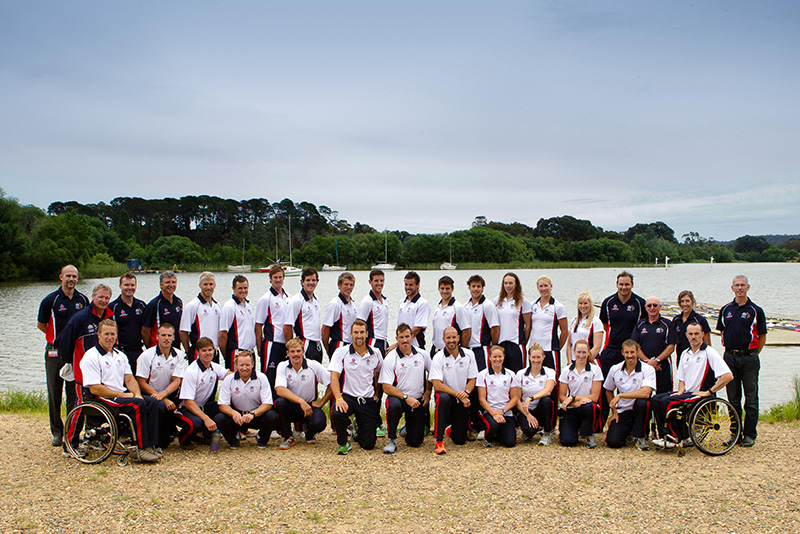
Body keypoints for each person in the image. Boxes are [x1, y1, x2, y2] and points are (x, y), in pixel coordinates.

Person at [79, 320, 161, 463]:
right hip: (101, 398)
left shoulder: (120, 355)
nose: (109, 337)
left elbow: (129, 379)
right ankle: (139, 449)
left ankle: (151, 445)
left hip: (119, 396)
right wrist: (123, 395)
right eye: (106, 334)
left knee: (151, 402)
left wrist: (137, 394)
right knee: (137, 405)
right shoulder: (91, 356)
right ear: (99, 335)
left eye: (112, 334)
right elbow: (95, 388)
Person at [651, 322, 733, 448]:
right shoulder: (685, 353)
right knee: (656, 399)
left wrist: (709, 391)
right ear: (686, 335)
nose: (693, 337)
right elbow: (681, 379)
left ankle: (675, 438)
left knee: (667, 402)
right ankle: (664, 435)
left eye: (696, 334)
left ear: (702, 334)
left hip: (700, 394)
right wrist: (680, 392)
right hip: (686, 393)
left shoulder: (709, 352)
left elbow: (728, 376)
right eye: (690, 334)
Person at [37, 264, 89, 446]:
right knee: (54, 391)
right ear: (61, 277)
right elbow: (41, 324)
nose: (71, 279)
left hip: (75, 352)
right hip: (55, 351)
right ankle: (57, 431)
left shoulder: (83, 300)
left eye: (74, 276)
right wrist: (55, 339)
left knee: (74, 393)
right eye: (68, 276)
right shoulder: (50, 300)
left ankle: (71, 430)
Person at [716, 275, 767, 447]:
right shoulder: (725, 310)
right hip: (729, 357)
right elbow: (721, 332)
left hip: (749, 358)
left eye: (742, 285)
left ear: (748, 287)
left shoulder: (756, 310)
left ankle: (750, 434)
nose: (739, 288)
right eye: (736, 285)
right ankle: (735, 433)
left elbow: (762, 336)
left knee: (751, 399)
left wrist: (752, 353)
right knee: (733, 399)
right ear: (732, 288)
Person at [57, 283, 115, 420]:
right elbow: (65, 343)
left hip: (103, 372)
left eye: (107, 298)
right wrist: (70, 363)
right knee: (81, 407)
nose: (104, 300)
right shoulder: (80, 318)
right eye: (100, 297)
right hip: (83, 373)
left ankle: (93, 436)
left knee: (99, 407)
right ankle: (71, 440)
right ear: (93, 297)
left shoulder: (110, 316)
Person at [328, 320, 382, 454]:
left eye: (362, 332)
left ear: (367, 334)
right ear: (351, 334)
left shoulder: (375, 353)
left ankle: (357, 429)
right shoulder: (341, 352)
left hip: (367, 399)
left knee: (368, 444)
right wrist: (338, 398)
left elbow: (379, 373)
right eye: (356, 332)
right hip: (348, 397)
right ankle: (343, 441)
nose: (359, 336)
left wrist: (376, 394)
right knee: (337, 412)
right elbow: (334, 377)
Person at [598, 271, 646, 419]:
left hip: (631, 351)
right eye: (621, 284)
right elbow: (603, 326)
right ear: (617, 284)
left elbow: (643, 327)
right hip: (611, 349)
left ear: (632, 285)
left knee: (631, 386)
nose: (624, 287)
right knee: (606, 386)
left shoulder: (640, 303)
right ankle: (602, 420)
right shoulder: (608, 302)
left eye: (627, 284)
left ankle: (629, 420)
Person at [379, 324, 432, 453]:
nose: (404, 340)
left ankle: (407, 429)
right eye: (401, 337)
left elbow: (433, 374)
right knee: (394, 406)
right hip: (399, 398)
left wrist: (428, 392)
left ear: (412, 337)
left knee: (415, 443)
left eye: (407, 336)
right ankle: (392, 439)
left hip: (417, 400)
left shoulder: (422, 354)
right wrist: (406, 397)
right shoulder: (391, 357)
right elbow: (386, 387)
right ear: (396, 338)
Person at [213, 350, 278, 450]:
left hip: (255, 414)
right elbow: (222, 405)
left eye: (247, 365)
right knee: (219, 418)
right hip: (237, 416)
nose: (244, 368)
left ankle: (261, 438)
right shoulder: (229, 379)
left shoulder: (262, 378)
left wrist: (252, 414)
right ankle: (233, 439)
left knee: (272, 415)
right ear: (236, 365)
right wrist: (233, 413)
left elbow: (267, 403)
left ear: (252, 364)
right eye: (241, 365)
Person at [274, 338, 332, 449]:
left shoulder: (313, 365)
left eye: (298, 351)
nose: (295, 354)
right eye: (292, 351)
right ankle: (288, 437)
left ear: (303, 352)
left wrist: (322, 402)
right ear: (287, 353)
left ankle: (309, 434)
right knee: (280, 403)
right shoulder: (282, 366)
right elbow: (280, 389)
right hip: (291, 406)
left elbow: (332, 384)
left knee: (320, 422)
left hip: (309, 406)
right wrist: (301, 401)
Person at [136, 323, 186, 451]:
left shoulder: (179, 355)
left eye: (169, 335)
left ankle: (175, 433)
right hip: (150, 394)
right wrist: (161, 398)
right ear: (157, 336)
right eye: (163, 335)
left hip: (169, 393)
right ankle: (157, 442)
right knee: (161, 407)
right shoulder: (147, 356)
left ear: (174, 337)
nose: (166, 338)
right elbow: (141, 382)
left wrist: (163, 395)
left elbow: (177, 380)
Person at [174, 337, 231, 448]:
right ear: (198, 352)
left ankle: (205, 434)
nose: (207, 353)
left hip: (203, 406)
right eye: (204, 351)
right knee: (195, 424)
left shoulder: (214, 367)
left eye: (210, 350)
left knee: (225, 407)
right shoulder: (191, 371)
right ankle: (183, 440)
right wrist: (206, 418)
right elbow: (188, 402)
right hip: (184, 408)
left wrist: (241, 366)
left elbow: (230, 375)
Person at [429, 326, 479, 454]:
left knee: (460, 440)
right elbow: (437, 385)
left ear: (458, 338)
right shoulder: (438, 357)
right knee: (443, 398)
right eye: (448, 338)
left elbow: (472, 380)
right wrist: (458, 394)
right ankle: (439, 440)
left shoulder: (469, 354)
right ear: (443, 339)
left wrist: (466, 393)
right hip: (447, 396)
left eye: (453, 337)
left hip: (462, 398)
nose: (451, 340)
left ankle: (451, 429)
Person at [604, 339, 656, 450]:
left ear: (637, 352)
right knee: (613, 442)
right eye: (627, 352)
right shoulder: (615, 369)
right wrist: (613, 412)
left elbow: (646, 393)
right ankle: (628, 432)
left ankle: (640, 436)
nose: (630, 355)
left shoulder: (648, 369)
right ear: (622, 353)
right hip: (623, 411)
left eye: (632, 352)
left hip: (639, 411)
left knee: (643, 403)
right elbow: (608, 390)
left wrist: (620, 396)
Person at [558, 340, 604, 448]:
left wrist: (573, 398)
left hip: (587, 407)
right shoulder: (566, 370)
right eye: (579, 352)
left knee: (590, 406)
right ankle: (576, 429)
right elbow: (561, 397)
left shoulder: (595, 370)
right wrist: (575, 403)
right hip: (572, 408)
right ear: (574, 352)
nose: (581, 355)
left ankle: (589, 434)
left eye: (584, 352)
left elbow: (595, 397)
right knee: (567, 441)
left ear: (588, 353)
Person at [254, 264, 292, 391]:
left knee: (285, 377)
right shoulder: (265, 299)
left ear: (284, 278)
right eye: (275, 277)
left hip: (286, 344)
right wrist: (259, 347)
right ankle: (267, 407)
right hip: (271, 344)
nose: (278, 280)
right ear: (270, 279)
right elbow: (258, 325)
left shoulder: (289, 298)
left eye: (280, 277)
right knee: (269, 377)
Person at [631, 297, 677, 395]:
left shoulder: (667, 324)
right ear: (645, 307)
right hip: (644, 366)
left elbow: (671, 347)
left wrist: (656, 361)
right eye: (649, 305)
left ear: (660, 307)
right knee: (643, 396)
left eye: (655, 305)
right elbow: (635, 346)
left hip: (662, 366)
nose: (652, 308)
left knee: (663, 397)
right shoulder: (640, 324)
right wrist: (648, 362)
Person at [477, 345, 520, 448]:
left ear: (504, 357)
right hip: (489, 411)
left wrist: (503, 411)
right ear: (490, 358)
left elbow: (514, 398)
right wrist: (493, 413)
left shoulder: (511, 374)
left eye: (500, 356)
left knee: (510, 443)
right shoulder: (482, 375)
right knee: (493, 425)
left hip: (506, 412)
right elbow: (481, 399)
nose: (497, 359)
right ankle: (488, 438)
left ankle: (500, 433)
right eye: (495, 357)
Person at [528, 276, 569, 383]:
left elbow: (564, 331)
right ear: (537, 288)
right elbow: (528, 326)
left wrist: (557, 347)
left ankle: (554, 400)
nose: (543, 289)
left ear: (551, 286)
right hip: (534, 350)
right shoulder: (532, 305)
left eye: (546, 286)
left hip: (550, 350)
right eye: (541, 286)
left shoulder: (558, 307)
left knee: (552, 380)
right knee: (534, 379)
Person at [514, 343, 556, 445]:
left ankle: (546, 432)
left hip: (541, 408)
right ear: (529, 357)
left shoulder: (549, 372)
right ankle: (531, 429)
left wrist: (530, 398)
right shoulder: (521, 373)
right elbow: (517, 399)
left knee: (547, 400)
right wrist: (527, 415)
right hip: (525, 409)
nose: (536, 360)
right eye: (533, 357)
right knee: (529, 432)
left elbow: (548, 391)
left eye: (538, 357)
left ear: (543, 357)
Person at [493, 272, 532, 372]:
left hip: (516, 344)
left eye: (511, 283)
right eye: (506, 283)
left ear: (516, 285)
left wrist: (523, 342)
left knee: (517, 375)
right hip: (500, 344)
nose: (508, 286)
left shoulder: (523, 302)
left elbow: (528, 326)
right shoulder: (497, 301)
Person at [283, 268, 323, 363]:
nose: (311, 283)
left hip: (317, 344)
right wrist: (292, 348)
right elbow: (287, 326)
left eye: (313, 280)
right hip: (305, 343)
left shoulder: (316, 300)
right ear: (302, 282)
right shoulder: (297, 300)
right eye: (308, 280)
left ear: (317, 282)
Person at [180, 271, 222, 362]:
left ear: (214, 285)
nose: (208, 287)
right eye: (205, 284)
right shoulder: (193, 305)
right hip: (198, 352)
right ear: (200, 285)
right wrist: (189, 351)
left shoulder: (217, 305)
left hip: (214, 351)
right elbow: (183, 331)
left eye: (211, 284)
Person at [109, 272, 146, 372]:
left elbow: (146, 330)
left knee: (139, 383)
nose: (130, 288)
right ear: (120, 286)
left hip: (139, 350)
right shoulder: (112, 307)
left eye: (132, 285)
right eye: (126, 285)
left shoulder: (141, 305)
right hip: (121, 351)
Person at [463, 274, 499, 372]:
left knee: (483, 377)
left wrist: (493, 348)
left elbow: (495, 329)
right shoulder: (465, 306)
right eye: (473, 286)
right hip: (468, 349)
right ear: (469, 288)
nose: (476, 289)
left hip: (482, 349)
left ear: (483, 288)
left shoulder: (488, 305)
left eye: (478, 286)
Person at [219, 275, 256, 371]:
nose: (243, 290)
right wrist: (227, 355)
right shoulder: (229, 307)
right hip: (237, 352)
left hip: (250, 352)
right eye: (240, 288)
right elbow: (222, 334)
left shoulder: (249, 306)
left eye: (245, 288)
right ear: (233, 288)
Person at [141, 270, 183, 351]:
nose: (171, 285)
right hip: (159, 348)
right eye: (167, 282)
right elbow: (145, 331)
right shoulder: (154, 304)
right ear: (161, 285)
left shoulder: (178, 302)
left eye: (173, 282)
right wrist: (151, 349)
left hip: (175, 348)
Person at [430, 276, 471, 356]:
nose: (444, 291)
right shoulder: (437, 307)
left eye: (447, 288)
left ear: (452, 289)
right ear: (438, 289)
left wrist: (460, 352)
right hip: (436, 351)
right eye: (442, 288)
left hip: (451, 352)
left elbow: (466, 332)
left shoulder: (458, 308)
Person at [671, 290, 711, 369]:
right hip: (681, 359)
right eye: (682, 301)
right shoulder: (676, 320)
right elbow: (672, 342)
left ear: (692, 302)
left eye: (687, 301)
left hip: (698, 361)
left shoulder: (700, 320)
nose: (685, 304)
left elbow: (708, 345)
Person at [321, 272, 358, 356]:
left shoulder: (352, 303)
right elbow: (325, 329)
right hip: (339, 345)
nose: (348, 287)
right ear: (339, 285)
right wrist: (328, 349)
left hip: (350, 345)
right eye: (346, 284)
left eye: (351, 285)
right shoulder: (335, 304)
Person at [357, 269, 390, 356]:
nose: (379, 283)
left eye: (381, 280)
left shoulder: (385, 301)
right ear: (370, 282)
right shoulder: (367, 301)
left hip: (384, 342)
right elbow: (358, 325)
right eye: (376, 281)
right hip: (372, 342)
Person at [566, 291, 605, 363]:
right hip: (574, 361)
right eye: (580, 303)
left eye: (585, 303)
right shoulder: (573, 321)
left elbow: (597, 347)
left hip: (590, 362)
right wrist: (569, 362)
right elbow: (569, 344)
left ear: (590, 304)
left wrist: (584, 362)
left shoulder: (596, 322)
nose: (583, 306)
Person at [396, 271, 431, 349]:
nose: (408, 287)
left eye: (411, 285)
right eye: (406, 284)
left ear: (418, 285)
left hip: (416, 347)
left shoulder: (422, 303)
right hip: (402, 347)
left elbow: (416, 329)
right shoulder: (401, 303)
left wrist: (398, 343)